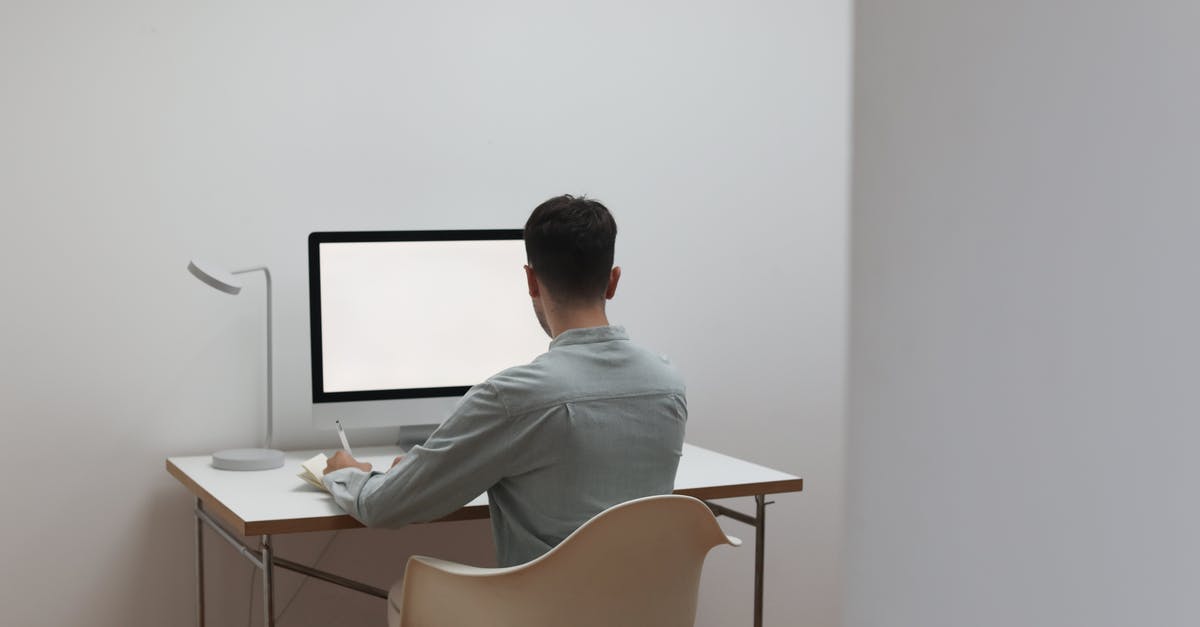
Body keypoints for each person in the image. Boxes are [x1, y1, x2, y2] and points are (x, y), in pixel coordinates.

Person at [322, 194, 687, 567]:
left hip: (543, 614)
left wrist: (350, 474)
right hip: (643, 611)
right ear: (613, 281)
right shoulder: (669, 385)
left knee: (407, 594)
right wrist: (423, 468)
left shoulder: (512, 399)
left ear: (530, 280)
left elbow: (382, 507)